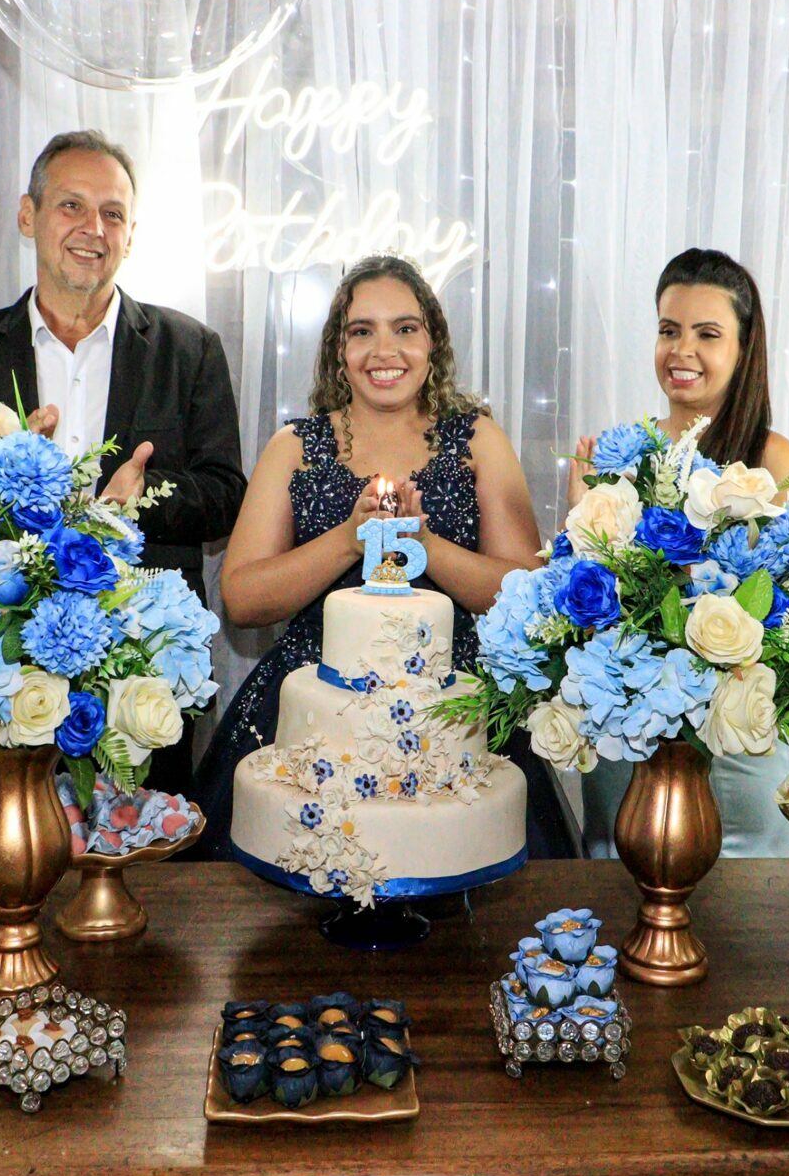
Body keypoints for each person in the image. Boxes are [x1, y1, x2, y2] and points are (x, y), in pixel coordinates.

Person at [0, 130, 245, 798]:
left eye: (112, 213)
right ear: (28, 215)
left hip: (144, 668)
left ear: (131, 235)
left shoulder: (189, 349)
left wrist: (139, 498)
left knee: (148, 848)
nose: (94, 229)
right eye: (71, 206)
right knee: (8, 847)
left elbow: (226, 494)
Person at [197, 254, 572, 858]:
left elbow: (526, 592)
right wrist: (350, 538)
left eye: (405, 328)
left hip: (455, 705)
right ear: (338, 350)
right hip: (316, 704)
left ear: (432, 342)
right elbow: (241, 598)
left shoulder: (477, 439)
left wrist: (424, 545)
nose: (384, 350)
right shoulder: (294, 447)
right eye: (361, 331)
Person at [566, 248, 789, 859]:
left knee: (750, 904)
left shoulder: (772, 458)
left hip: (736, 741)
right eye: (669, 330)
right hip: (630, 739)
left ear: (743, 350)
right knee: (622, 892)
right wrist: (580, 523)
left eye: (707, 334)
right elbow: (581, 606)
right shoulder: (624, 454)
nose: (682, 350)